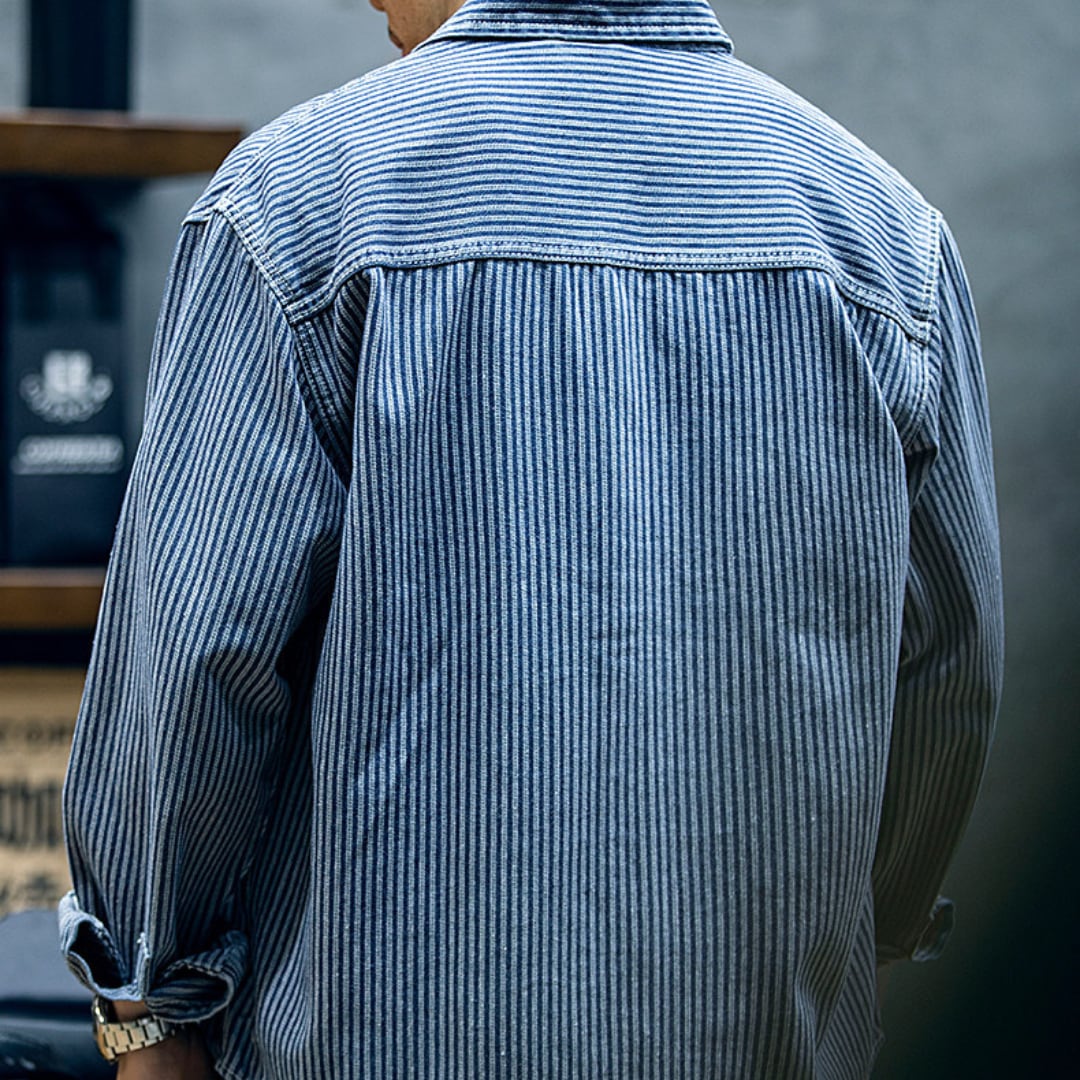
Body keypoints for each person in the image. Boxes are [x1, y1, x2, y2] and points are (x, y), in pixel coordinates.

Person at [59, 1, 1005, 1077]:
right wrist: (842, 947)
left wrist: (151, 1004)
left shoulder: (297, 204)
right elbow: (948, 673)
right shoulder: (887, 240)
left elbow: (196, 656)